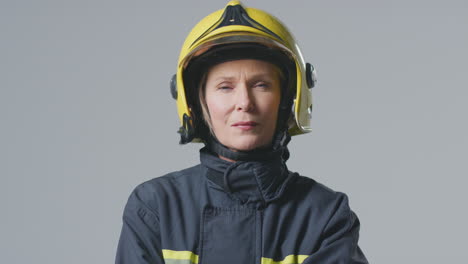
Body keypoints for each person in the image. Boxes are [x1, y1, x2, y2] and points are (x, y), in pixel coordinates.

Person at [115, 1, 368, 263]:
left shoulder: (324, 215)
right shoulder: (156, 207)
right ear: (197, 103)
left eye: (261, 85)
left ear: (288, 99)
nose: (245, 102)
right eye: (225, 87)